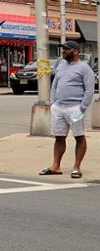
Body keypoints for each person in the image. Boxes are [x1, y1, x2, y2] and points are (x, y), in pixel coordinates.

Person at [40, 41, 94, 179]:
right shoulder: (61, 65)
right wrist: (52, 103)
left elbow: (89, 90)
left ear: (75, 51)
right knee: (59, 137)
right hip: (58, 108)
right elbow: (54, 85)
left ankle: (76, 168)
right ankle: (55, 166)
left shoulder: (84, 68)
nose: (63, 51)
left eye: (66, 49)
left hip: (75, 108)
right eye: (62, 49)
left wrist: (82, 108)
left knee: (79, 137)